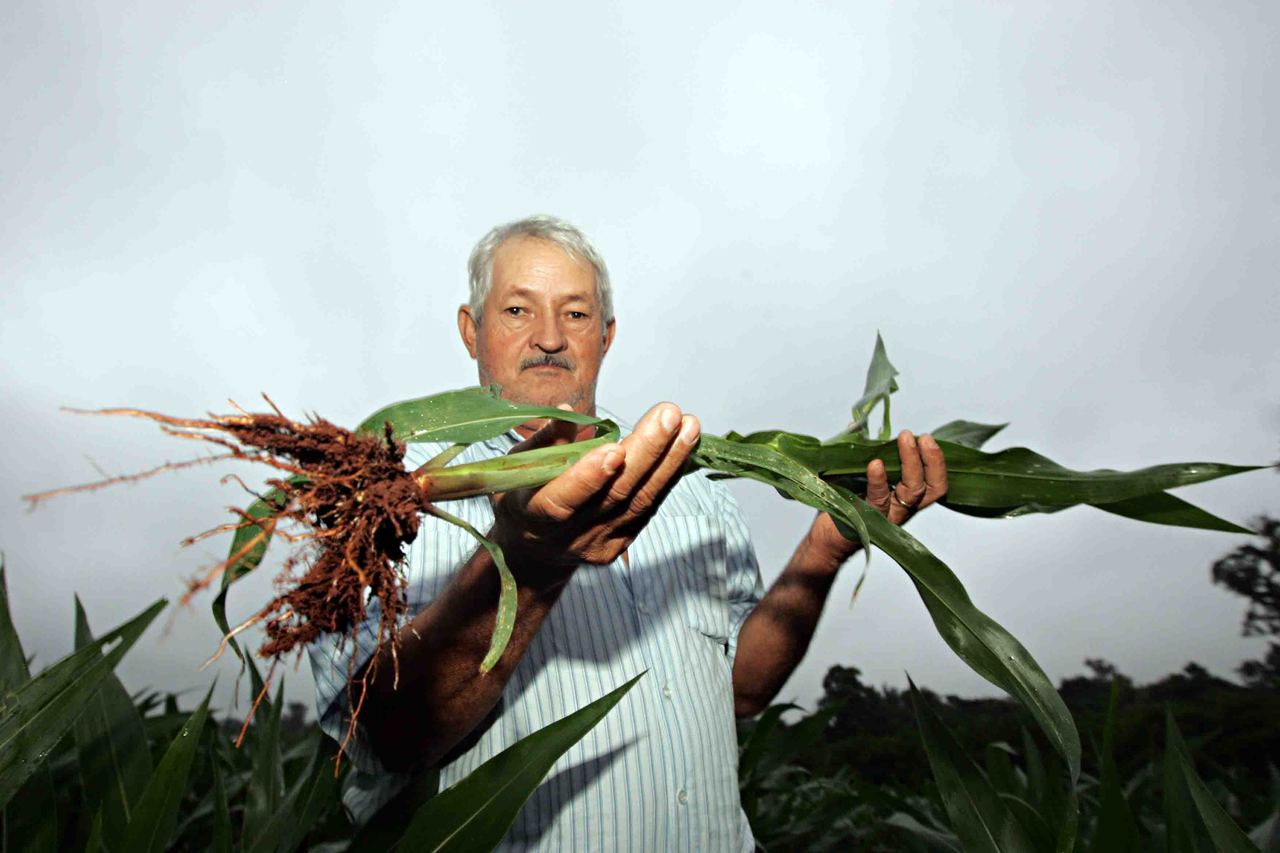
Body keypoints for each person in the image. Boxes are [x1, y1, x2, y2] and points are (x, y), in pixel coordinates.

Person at [309, 215, 948, 851]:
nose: (551, 338)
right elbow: (381, 737)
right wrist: (528, 563)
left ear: (607, 336)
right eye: (517, 310)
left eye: (577, 314)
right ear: (471, 331)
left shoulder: (692, 487)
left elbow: (742, 692)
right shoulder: (386, 500)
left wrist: (823, 550)